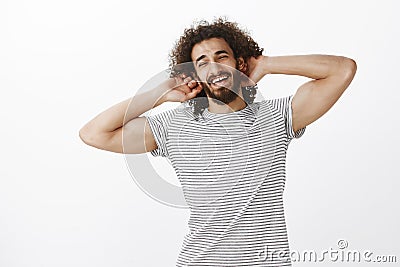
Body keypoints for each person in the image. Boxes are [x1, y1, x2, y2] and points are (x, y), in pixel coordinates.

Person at [79, 18, 357, 266]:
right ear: (195, 75)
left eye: (221, 56)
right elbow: (94, 133)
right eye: (202, 62)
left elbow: (343, 70)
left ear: (239, 63)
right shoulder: (173, 126)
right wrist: (161, 94)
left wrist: (267, 64)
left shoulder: (277, 116)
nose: (213, 66)